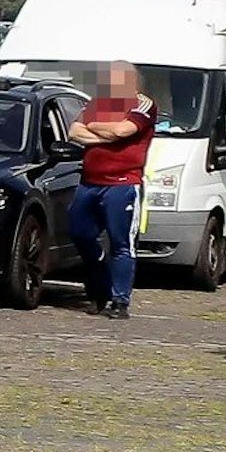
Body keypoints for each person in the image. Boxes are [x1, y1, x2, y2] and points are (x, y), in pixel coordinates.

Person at [67, 61, 156, 319]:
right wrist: (106, 135)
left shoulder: (143, 105)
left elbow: (123, 130)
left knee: (122, 243)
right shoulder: (97, 104)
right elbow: (74, 131)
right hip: (89, 182)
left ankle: (120, 300)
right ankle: (100, 284)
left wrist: (95, 127)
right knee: (80, 233)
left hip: (123, 183)